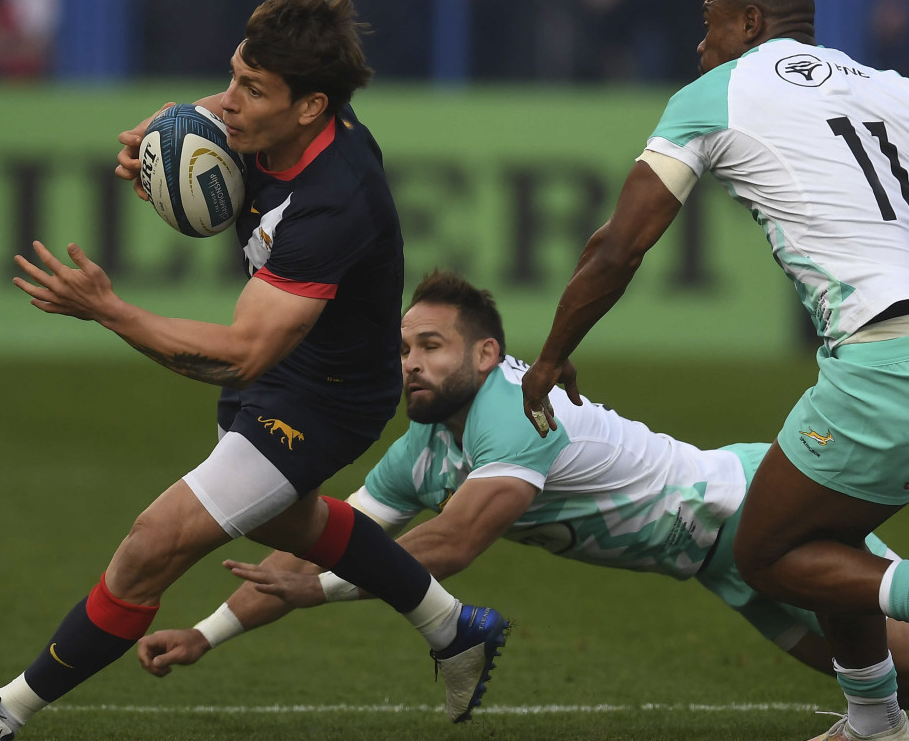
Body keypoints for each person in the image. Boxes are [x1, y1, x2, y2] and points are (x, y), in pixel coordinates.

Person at [0, 0, 507, 740]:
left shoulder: (334, 202)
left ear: (310, 108)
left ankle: (1, 714)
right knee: (292, 522)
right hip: (289, 370)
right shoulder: (277, 119)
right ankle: (452, 626)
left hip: (328, 397)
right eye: (233, 75)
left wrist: (111, 311)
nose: (229, 102)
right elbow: (226, 108)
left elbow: (241, 354)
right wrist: (174, 128)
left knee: (153, 543)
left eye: (251, 89)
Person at [135, 270, 909, 705]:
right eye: (401, 348)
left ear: (486, 355)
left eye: (430, 346)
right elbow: (324, 548)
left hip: (743, 503)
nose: (409, 363)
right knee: (870, 677)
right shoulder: (421, 452)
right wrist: (207, 633)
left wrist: (328, 589)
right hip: (706, 560)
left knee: (889, 653)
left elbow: (453, 543)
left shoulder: (514, 411)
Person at [517, 0, 909, 741]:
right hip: (885, 350)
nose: (700, 46)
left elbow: (617, 248)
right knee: (821, 537)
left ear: (751, 24)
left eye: (710, 25)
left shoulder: (715, 95)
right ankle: (874, 719)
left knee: (767, 551)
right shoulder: (888, 86)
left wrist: (552, 354)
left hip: (886, 357)